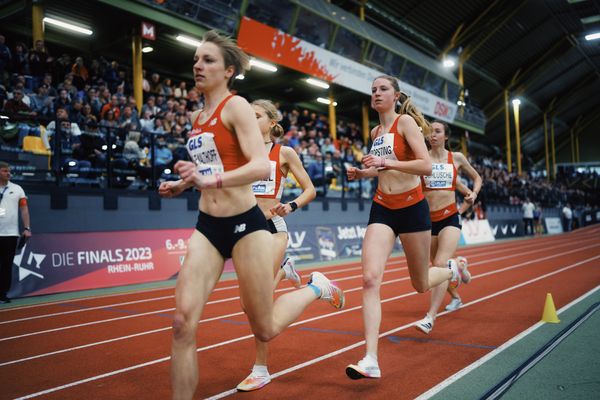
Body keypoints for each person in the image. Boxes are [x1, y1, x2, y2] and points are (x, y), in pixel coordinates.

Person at [158, 31, 344, 400]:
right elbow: (208, 171)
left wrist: (211, 178)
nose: (198, 65)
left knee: (265, 327)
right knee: (181, 324)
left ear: (228, 71)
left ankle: (315, 288)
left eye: (208, 60)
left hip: (249, 227)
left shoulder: (237, 106)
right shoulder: (197, 117)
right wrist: (183, 185)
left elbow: (260, 167)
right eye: (196, 58)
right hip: (207, 227)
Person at [344, 76, 469, 380]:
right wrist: (364, 173)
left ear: (396, 95)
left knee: (421, 283)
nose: (376, 93)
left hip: (412, 209)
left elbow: (425, 166)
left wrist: (389, 165)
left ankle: (453, 268)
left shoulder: (405, 124)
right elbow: (380, 169)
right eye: (373, 90)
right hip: (383, 207)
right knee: (370, 278)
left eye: (383, 89)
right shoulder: (375, 131)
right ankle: (371, 358)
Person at [235, 99, 317, 391]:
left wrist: (291, 205)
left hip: (271, 228)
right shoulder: (241, 152)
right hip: (244, 231)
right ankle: (297, 277)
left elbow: (310, 189)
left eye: (255, 116)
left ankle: (260, 369)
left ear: (271, 122)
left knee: (259, 303)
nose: (249, 120)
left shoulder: (283, 152)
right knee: (247, 304)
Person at [414, 121, 481, 334]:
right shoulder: (421, 158)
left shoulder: (457, 158)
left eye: (437, 132)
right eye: (430, 132)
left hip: (450, 217)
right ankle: (458, 276)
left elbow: (476, 178)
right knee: (434, 269)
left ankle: (430, 317)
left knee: (441, 264)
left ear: (445, 136)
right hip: (427, 221)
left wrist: (473, 194)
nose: (432, 135)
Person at [0, 162, 32, 304]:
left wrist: (27, 228)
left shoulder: (17, 189)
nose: (8, 173)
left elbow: (24, 210)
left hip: (11, 234)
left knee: (6, 265)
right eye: (4, 171)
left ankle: (3, 293)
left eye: (9, 171)